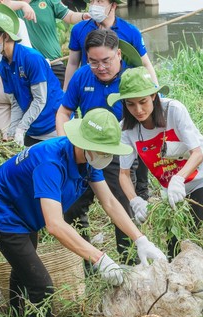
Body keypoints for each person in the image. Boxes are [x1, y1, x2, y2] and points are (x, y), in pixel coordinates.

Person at [0, 108, 166, 317]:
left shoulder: (90, 159)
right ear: (84, 143)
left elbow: (109, 202)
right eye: (102, 151)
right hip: (2, 213)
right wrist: (99, 258)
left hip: (25, 210)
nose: (106, 156)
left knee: (25, 266)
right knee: (41, 285)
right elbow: (55, 225)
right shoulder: (50, 162)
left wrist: (140, 239)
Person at [107, 67, 203, 257]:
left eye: (143, 102)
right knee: (173, 239)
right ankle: (176, 275)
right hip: (170, 183)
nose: (138, 110)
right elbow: (124, 174)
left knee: (188, 234)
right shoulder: (126, 130)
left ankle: (193, 271)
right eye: (131, 104)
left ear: (153, 96)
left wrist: (179, 179)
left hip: (202, 175)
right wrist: (135, 201)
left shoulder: (173, 111)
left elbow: (197, 154)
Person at [56, 29, 136, 264]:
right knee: (72, 207)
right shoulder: (82, 76)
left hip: (117, 153)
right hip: (84, 152)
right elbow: (64, 111)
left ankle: (129, 262)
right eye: (93, 62)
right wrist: (64, 141)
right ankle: (87, 263)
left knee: (119, 205)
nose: (100, 67)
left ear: (118, 54)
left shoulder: (130, 79)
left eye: (106, 61)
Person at [0, 4, 63, 146]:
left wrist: (21, 127)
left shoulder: (32, 58)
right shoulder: (3, 66)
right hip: (34, 129)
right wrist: (12, 132)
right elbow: (15, 103)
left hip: (53, 124)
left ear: (5, 35)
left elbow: (40, 99)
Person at [63, 0, 157, 91]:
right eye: (92, 1)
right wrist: (66, 91)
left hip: (123, 89)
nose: (94, 5)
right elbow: (73, 63)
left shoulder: (131, 32)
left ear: (113, 5)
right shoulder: (79, 30)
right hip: (90, 89)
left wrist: (156, 90)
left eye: (99, 1)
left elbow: (145, 64)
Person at [0, 0, 91, 87]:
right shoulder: (11, 4)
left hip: (53, 64)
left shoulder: (49, 1)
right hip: (26, 68)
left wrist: (83, 16)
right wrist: (23, 5)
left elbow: (70, 16)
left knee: (59, 101)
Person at [0, 2, 32, 138]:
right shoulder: (17, 23)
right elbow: (27, 54)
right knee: (25, 134)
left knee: (3, 139)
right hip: (18, 79)